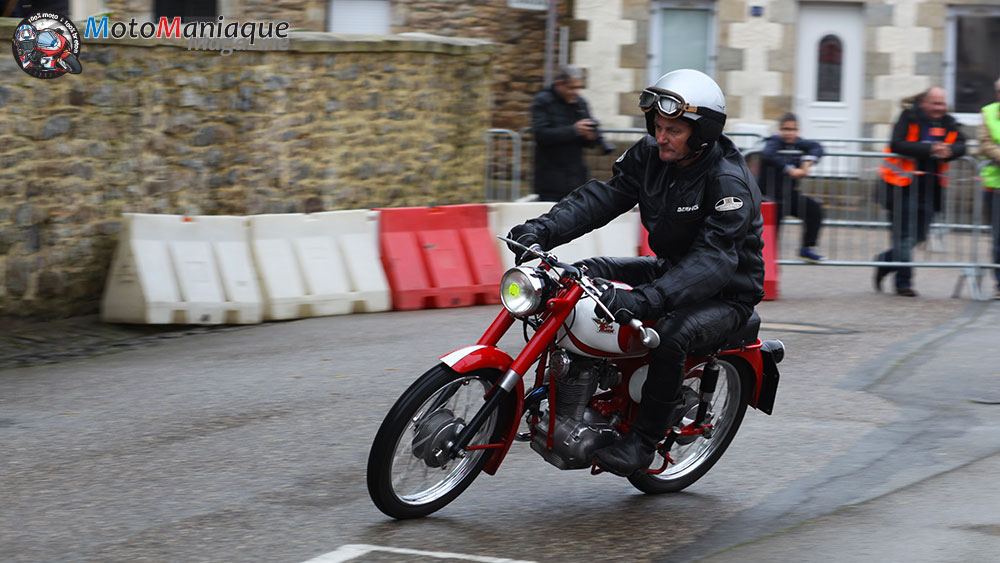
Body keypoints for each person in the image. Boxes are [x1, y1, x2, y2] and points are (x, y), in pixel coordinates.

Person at [507, 69, 764, 477]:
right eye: (658, 126)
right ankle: (566, 384)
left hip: (726, 292)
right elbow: (604, 198)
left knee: (672, 334)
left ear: (701, 133)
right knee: (580, 275)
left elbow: (714, 260)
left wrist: (647, 300)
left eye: (673, 130)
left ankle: (642, 443)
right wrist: (542, 230)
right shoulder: (651, 155)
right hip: (671, 270)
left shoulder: (728, 182)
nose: (661, 137)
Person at [876, 87, 966, 297]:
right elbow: (897, 144)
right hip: (901, 186)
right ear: (924, 102)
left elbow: (963, 144)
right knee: (903, 237)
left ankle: (883, 261)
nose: (939, 108)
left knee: (918, 236)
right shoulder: (908, 117)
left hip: (930, 188)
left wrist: (950, 150)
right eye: (935, 104)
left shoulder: (948, 121)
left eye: (942, 104)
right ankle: (904, 284)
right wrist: (931, 149)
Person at [530, 65, 613, 202]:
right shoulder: (543, 101)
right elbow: (541, 135)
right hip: (550, 179)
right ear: (559, 84)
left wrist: (591, 138)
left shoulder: (580, 103)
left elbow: (586, 140)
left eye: (579, 87)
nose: (576, 92)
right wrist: (574, 130)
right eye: (572, 88)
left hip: (576, 178)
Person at [757, 113, 826, 262]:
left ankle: (807, 249)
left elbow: (817, 147)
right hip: (769, 197)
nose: (789, 133)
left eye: (792, 129)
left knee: (814, 209)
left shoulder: (799, 143)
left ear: (798, 130)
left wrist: (807, 163)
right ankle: (765, 261)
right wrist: (790, 169)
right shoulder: (774, 141)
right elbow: (768, 154)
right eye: (785, 129)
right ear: (779, 129)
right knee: (772, 233)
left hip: (790, 195)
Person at [978, 77, 1000, 300]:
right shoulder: (989, 113)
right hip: (996, 186)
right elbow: (984, 144)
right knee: (999, 239)